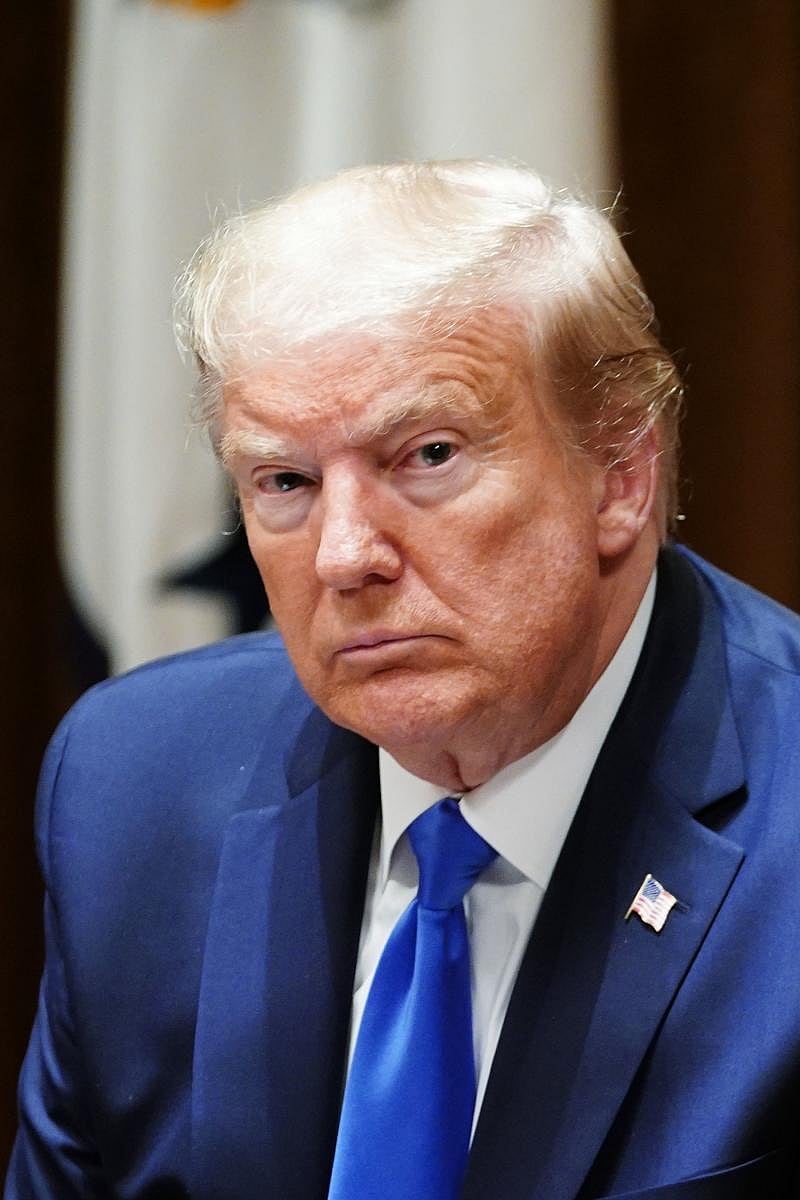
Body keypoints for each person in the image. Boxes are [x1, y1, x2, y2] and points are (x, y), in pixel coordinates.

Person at [6, 161, 800, 1200]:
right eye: (284, 480)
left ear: (619, 477)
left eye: (426, 455)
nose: (343, 556)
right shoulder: (133, 788)